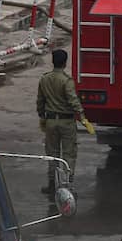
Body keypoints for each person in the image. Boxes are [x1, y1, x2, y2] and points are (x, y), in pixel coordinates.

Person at [37, 49, 84, 194]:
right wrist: (82, 116)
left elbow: (40, 100)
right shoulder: (66, 80)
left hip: (51, 121)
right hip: (66, 122)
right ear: (65, 63)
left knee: (52, 153)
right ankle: (67, 186)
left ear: (52, 61)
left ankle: (51, 184)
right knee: (69, 154)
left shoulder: (44, 79)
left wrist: (42, 117)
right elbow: (73, 100)